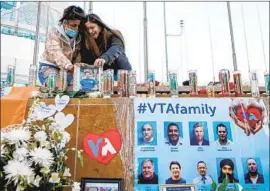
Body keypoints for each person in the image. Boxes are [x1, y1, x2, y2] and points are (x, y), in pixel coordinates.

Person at [38, 5, 85, 86]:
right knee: (57, 86)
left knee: (79, 86)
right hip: (50, 66)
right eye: (74, 25)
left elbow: (77, 56)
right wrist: (68, 65)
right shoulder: (54, 32)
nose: (76, 28)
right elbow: (55, 52)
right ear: (65, 21)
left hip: (67, 70)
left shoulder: (79, 37)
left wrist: (77, 65)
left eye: (78, 26)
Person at [80, 13, 132, 79]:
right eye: (87, 29)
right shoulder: (87, 42)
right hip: (103, 77)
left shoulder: (113, 35)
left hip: (122, 74)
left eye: (92, 27)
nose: (90, 31)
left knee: (119, 55)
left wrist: (104, 58)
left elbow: (116, 48)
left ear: (100, 26)